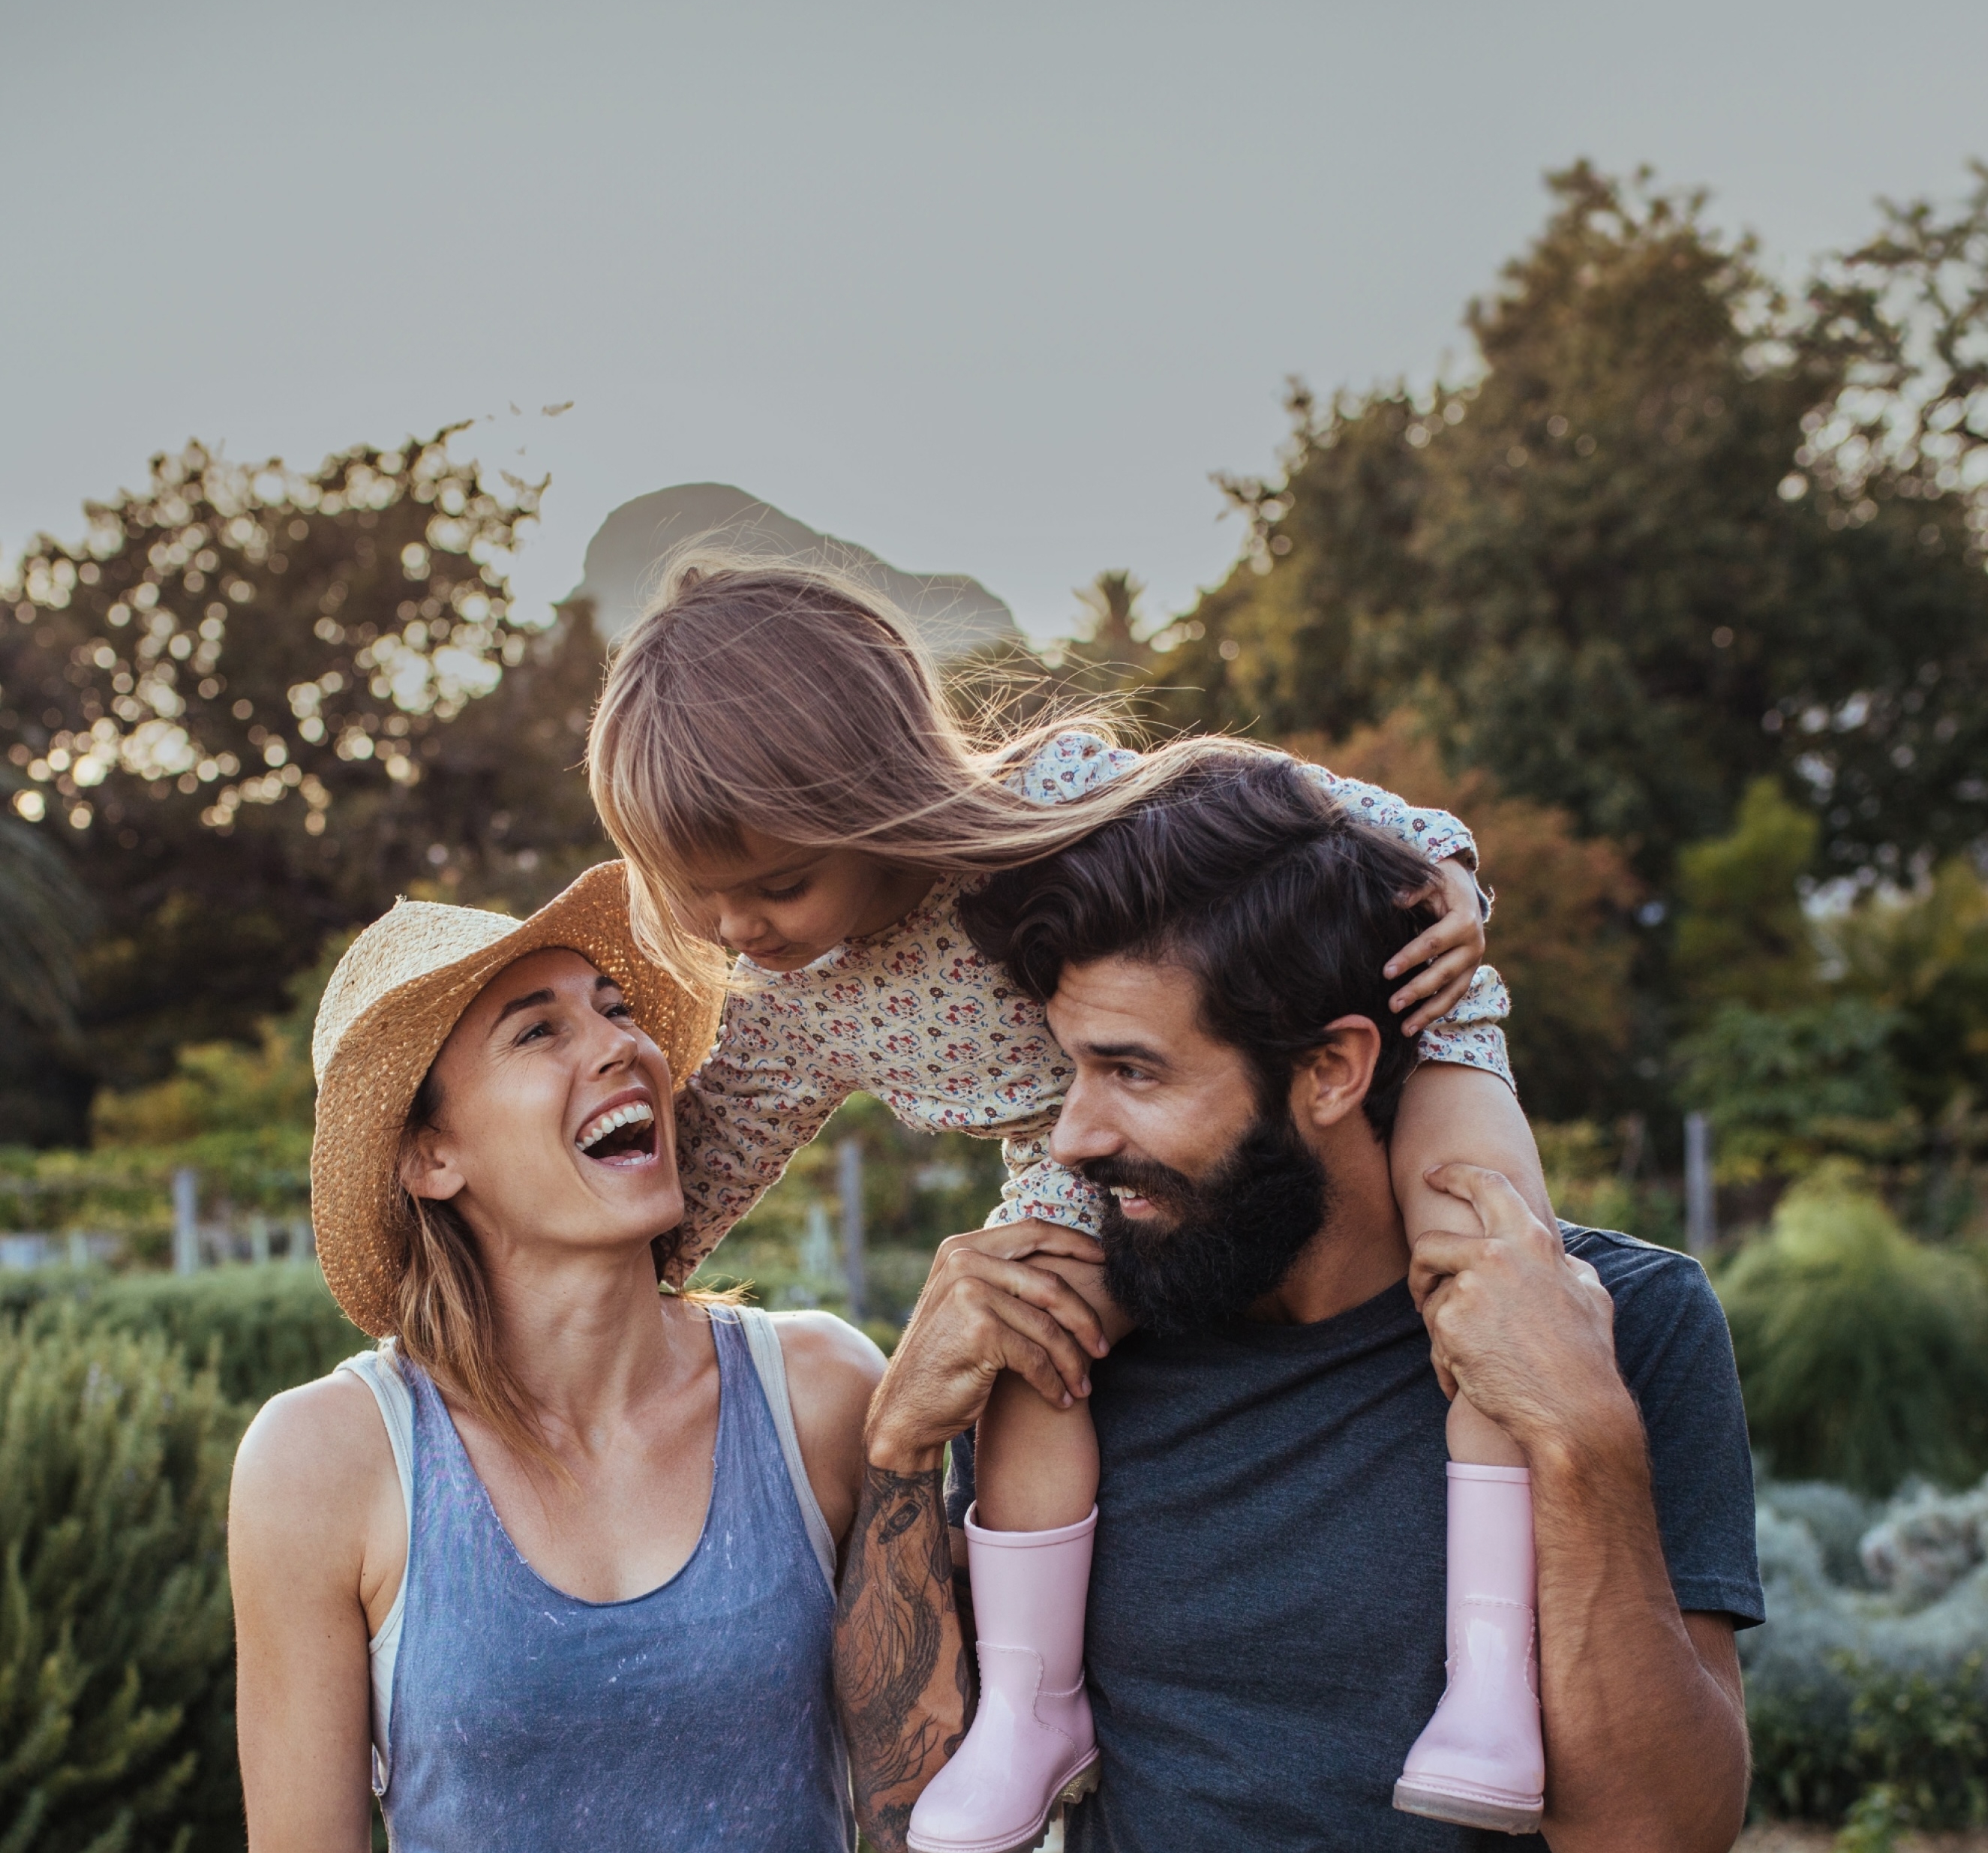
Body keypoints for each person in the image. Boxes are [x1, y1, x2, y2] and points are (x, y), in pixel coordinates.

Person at [586, 560, 1561, 1847]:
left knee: (1485, 1270)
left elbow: (1347, 819)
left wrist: (1451, 894)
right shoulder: (798, 1000)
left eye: (776, 884)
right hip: (1098, 1169)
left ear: (880, 796)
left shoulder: (1056, 804)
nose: (736, 928)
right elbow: (704, 1169)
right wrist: (559, 1277)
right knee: (1030, 1340)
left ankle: (1493, 1677)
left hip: (1406, 1031)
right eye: (695, 893)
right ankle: (1035, 1707)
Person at [836, 751, 1762, 1853]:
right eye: (1072, 1069)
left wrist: (1584, 1430)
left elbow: (1659, 1836)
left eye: (1134, 1072)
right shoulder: (1061, 1342)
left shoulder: (1631, 1317)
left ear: (1331, 1070)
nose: (1072, 1137)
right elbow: (910, 1812)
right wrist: (898, 1444)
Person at [229, 862, 884, 1853]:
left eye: (617, 1011)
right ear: (431, 1157)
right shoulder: (324, 1462)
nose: (623, 1045)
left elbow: (938, 1797)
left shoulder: (820, 1393)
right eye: (539, 1032)